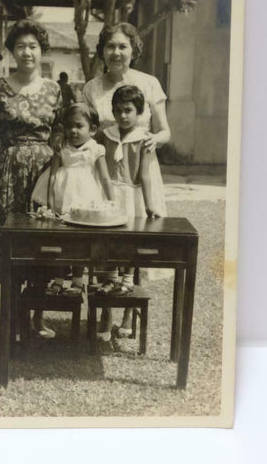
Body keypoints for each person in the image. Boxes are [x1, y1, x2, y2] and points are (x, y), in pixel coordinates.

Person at [0, 19, 62, 339]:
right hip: (6, 174)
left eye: (33, 46)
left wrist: (61, 183)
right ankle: (10, 319)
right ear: (12, 52)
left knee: (42, 244)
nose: (27, 52)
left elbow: (62, 139)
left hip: (43, 176)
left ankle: (37, 317)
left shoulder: (54, 90)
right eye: (21, 46)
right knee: (10, 245)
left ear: (42, 51)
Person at [83, 22, 171, 339]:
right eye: (110, 46)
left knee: (139, 246)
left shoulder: (149, 83)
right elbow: (88, 130)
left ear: (133, 50)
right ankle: (105, 315)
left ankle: (131, 316)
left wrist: (154, 141)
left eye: (123, 46)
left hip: (140, 173)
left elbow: (165, 130)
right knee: (104, 245)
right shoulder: (92, 88)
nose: (116, 52)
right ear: (102, 51)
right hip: (104, 177)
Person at [95, 85, 157, 307]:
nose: (123, 115)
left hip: (131, 195)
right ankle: (110, 277)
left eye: (128, 110)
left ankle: (128, 278)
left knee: (130, 238)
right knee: (109, 238)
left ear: (138, 112)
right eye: (119, 110)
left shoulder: (144, 139)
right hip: (108, 194)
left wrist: (150, 206)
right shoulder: (105, 135)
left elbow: (146, 175)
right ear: (113, 111)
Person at [45, 103, 115, 296]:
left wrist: (111, 202)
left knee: (80, 242)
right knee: (61, 241)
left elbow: (105, 178)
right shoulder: (61, 149)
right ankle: (58, 279)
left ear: (92, 129)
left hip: (85, 199)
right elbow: (52, 176)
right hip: (63, 198)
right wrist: (51, 202)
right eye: (69, 126)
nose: (73, 131)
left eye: (79, 126)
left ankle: (77, 282)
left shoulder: (96, 149)